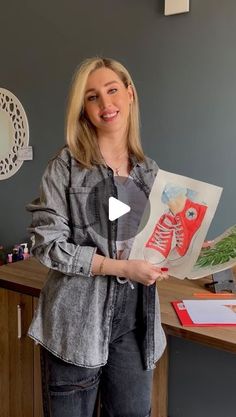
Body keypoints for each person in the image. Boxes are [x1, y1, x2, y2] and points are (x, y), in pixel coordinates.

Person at [27, 57, 168, 417]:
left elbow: (148, 242)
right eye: (92, 97)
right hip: (76, 327)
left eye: (112, 90)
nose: (106, 104)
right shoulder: (65, 167)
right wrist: (117, 266)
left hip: (136, 327)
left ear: (130, 94)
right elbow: (48, 243)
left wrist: (188, 248)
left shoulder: (148, 172)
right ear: (83, 109)